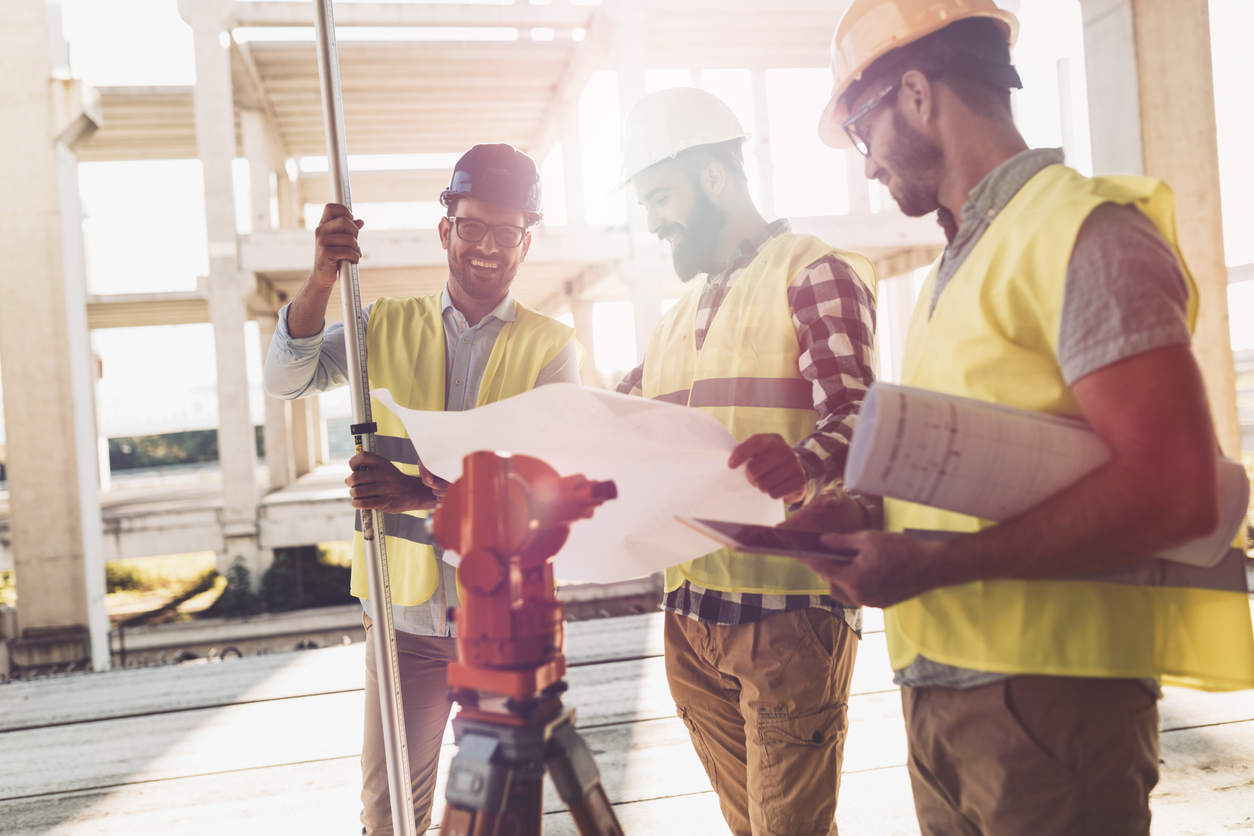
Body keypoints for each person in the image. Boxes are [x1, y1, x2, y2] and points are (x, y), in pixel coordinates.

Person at [800, 2, 1254, 834]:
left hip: (1052, 710)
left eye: (863, 135)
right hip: (942, 698)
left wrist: (936, 566)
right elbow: (977, 474)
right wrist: (869, 517)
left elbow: (1177, 489)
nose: (867, 168)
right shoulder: (958, 267)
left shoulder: (1081, 234)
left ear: (915, 95)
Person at [262, 143, 580, 835]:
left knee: (492, 819)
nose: (488, 246)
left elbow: (546, 491)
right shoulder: (384, 324)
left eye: (506, 232)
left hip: (500, 625)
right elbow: (287, 378)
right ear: (446, 231)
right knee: (390, 816)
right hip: (405, 624)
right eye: (472, 226)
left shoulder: (550, 346)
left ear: (526, 244)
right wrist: (321, 277)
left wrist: (420, 497)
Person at [614, 86, 879, 836]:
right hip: (691, 620)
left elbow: (860, 416)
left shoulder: (813, 272)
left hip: (788, 620)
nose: (653, 220)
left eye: (659, 196)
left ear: (715, 179)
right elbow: (608, 426)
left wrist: (802, 464)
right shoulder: (674, 321)